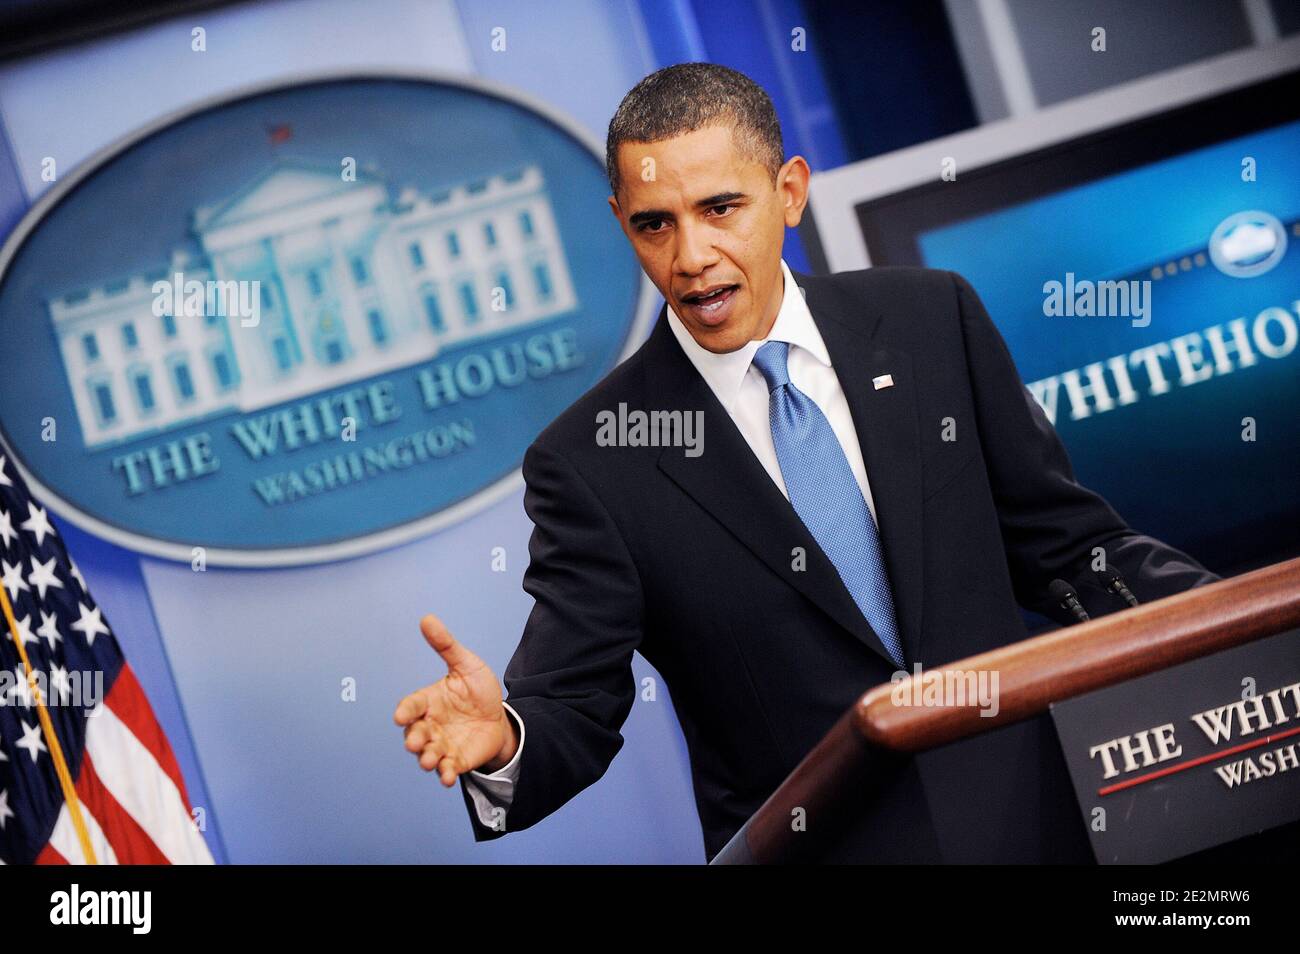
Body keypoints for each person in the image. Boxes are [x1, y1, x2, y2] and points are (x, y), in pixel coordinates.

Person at [392, 62, 1218, 863]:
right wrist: (504, 742)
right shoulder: (596, 456)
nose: (691, 256)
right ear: (621, 222)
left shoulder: (933, 321)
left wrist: (1240, 626)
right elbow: (572, 701)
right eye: (656, 223)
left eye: (721, 208)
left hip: (1039, 825)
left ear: (789, 189)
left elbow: (1069, 552)